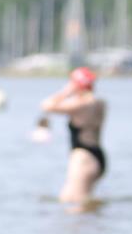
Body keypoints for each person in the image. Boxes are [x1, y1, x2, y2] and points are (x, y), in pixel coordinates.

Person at [41, 67, 107, 212]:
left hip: (83, 158)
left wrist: (66, 92)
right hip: (97, 156)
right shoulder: (99, 103)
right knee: (82, 204)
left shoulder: (81, 104)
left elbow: (47, 105)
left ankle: (88, 227)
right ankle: (96, 224)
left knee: (73, 206)